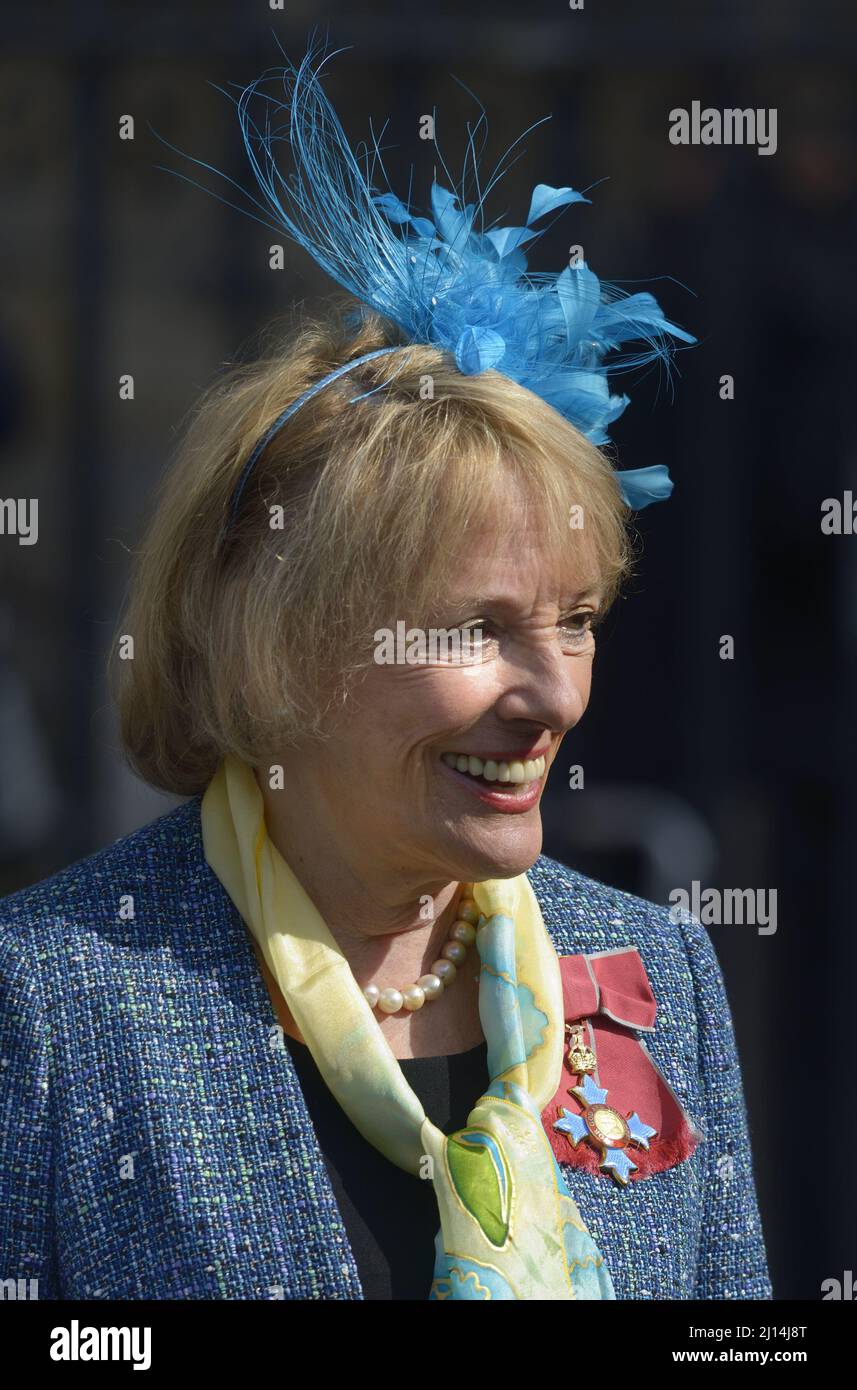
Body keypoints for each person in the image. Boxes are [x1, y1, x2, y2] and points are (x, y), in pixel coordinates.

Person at [0, 41, 770, 1301]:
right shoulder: (53, 1004)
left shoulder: (653, 971)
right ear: (280, 642)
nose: (554, 696)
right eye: (474, 630)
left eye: (573, 620)